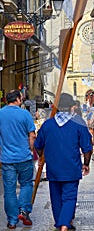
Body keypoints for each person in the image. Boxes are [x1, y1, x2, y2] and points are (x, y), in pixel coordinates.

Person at [34, 93, 92, 231]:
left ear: (56, 107)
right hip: (72, 166)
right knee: (70, 197)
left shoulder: (48, 124)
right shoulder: (78, 123)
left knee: (56, 197)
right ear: (72, 107)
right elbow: (87, 147)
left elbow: (37, 144)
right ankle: (65, 224)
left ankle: (61, 222)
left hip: (53, 167)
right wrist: (86, 163)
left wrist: (43, 156)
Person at [0, 89, 36, 229]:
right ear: (18, 99)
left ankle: (12, 221)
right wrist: (31, 149)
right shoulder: (24, 114)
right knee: (26, 183)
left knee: (9, 190)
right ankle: (24, 210)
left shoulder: (1, 113)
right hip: (24, 157)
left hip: (7, 159)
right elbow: (32, 135)